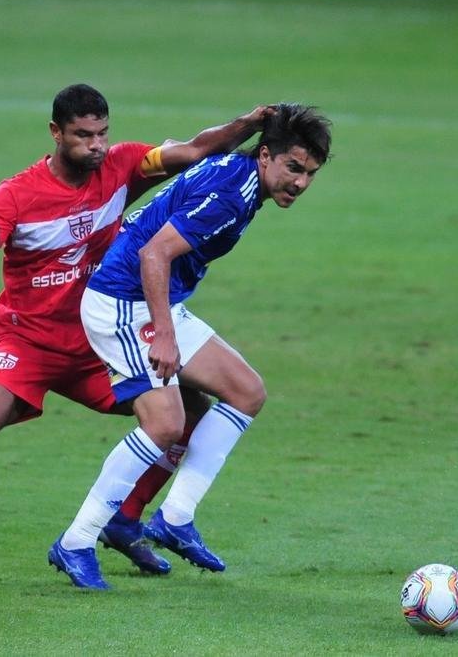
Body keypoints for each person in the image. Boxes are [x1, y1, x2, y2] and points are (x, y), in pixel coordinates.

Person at [0, 84, 272, 575]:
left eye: (102, 134)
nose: (95, 145)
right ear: (56, 133)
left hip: (100, 342)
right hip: (29, 343)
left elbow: (197, 149)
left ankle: (127, 520)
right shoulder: (15, 195)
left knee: (189, 408)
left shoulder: (123, 165)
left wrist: (250, 122)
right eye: (83, 135)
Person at [49, 103, 332, 589]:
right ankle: (76, 541)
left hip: (157, 298)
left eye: (309, 174)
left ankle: (174, 517)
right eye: (293, 167)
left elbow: (206, 144)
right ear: (266, 156)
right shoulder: (232, 195)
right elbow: (153, 253)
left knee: (246, 392)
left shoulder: (242, 173)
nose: (301, 183)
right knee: (166, 424)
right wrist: (162, 333)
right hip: (122, 302)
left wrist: (245, 121)